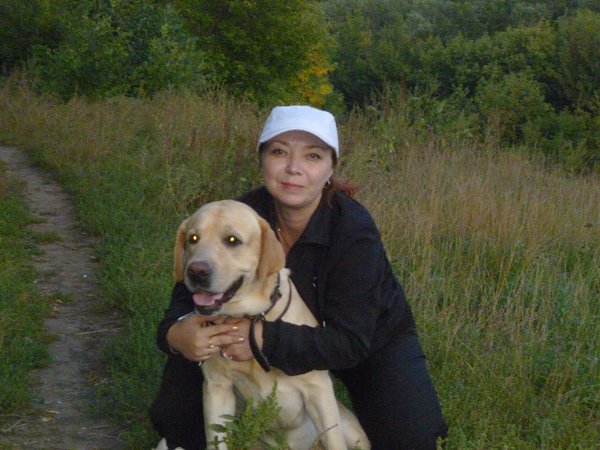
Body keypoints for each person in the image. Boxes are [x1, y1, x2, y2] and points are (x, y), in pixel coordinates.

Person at [150, 105, 448, 450]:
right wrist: (175, 334)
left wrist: (260, 340)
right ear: (262, 161)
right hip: (254, 330)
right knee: (175, 420)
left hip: (364, 340)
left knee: (413, 439)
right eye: (279, 152)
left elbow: (352, 341)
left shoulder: (354, 231)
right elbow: (187, 298)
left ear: (331, 169)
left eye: (313, 156)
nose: (294, 168)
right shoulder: (238, 216)